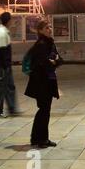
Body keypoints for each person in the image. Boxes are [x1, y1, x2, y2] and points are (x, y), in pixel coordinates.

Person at [25, 20, 62, 148]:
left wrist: (54, 62)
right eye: (46, 28)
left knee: (44, 110)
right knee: (44, 110)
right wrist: (52, 62)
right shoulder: (40, 45)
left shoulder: (50, 43)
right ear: (40, 30)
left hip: (48, 81)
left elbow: (59, 59)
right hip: (41, 82)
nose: (49, 29)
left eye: (50, 27)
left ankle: (36, 137)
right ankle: (42, 139)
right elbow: (43, 63)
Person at [0, 12, 18, 117]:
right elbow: (2, 51)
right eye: (11, 19)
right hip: (0, 66)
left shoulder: (2, 30)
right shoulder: (1, 32)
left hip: (4, 65)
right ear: (8, 20)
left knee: (9, 86)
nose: (12, 21)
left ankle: (12, 108)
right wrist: (5, 66)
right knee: (0, 86)